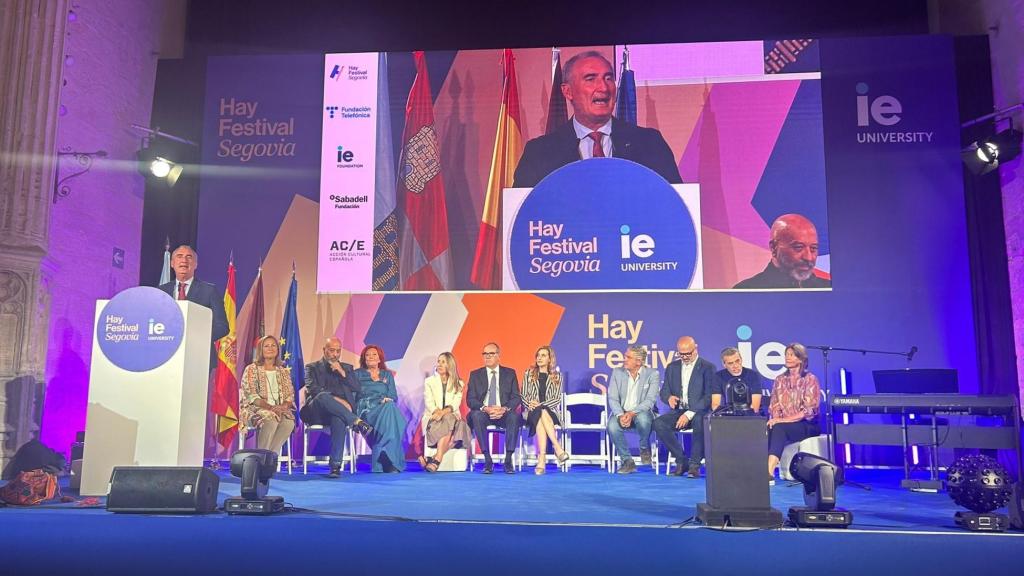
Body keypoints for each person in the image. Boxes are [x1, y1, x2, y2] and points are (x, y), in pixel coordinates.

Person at [512, 51, 682, 188]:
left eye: (608, 78)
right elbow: (523, 214)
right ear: (567, 91)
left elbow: (674, 205)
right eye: (591, 79)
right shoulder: (540, 152)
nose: (603, 87)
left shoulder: (650, 144)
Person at [301, 337, 374, 478]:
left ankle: (335, 467)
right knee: (322, 396)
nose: (335, 354)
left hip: (338, 412)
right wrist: (339, 401)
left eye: (338, 351)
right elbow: (313, 389)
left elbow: (357, 388)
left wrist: (342, 373)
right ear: (324, 350)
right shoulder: (312, 367)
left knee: (338, 419)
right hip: (316, 411)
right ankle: (356, 421)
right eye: (332, 350)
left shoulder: (347, 368)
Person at [158, 245, 229, 367]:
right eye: (179, 256)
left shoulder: (209, 291)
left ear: (195, 264)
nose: (184, 260)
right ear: (172, 263)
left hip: (199, 358)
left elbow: (222, 326)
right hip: (167, 357)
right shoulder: (161, 292)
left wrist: (195, 338)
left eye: (189, 257)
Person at [653, 336, 715, 477]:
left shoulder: (707, 367)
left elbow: (708, 396)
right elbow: (664, 392)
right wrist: (669, 398)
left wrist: (689, 414)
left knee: (700, 421)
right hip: (679, 410)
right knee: (659, 423)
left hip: (699, 411)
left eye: (688, 353)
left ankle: (694, 465)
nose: (685, 357)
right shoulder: (672, 367)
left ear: (696, 348)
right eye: (682, 354)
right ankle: (681, 461)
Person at [767, 343, 822, 485]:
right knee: (767, 427)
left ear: (801, 359)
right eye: (786, 355)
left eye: (791, 355)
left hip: (807, 425)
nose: (787, 358)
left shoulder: (810, 379)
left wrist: (781, 421)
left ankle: (768, 473)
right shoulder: (780, 379)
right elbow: (774, 404)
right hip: (785, 424)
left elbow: (809, 410)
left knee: (779, 428)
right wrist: (775, 419)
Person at [733, 214, 831, 289]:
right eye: (798, 247)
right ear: (774, 248)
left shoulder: (827, 288)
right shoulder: (747, 290)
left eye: (813, 248)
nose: (808, 257)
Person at [466, 342, 522, 474]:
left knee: (514, 417)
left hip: (503, 412)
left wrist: (504, 409)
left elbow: (516, 397)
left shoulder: (509, 373)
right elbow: (471, 399)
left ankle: (508, 460)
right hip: (484, 412)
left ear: (498, 356)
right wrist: (485, 408)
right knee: (476, 416)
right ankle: (487, 460)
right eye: (485, 354)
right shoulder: (475, 374)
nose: (487, 356)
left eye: (491, 353)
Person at [354, 345, 408, 473]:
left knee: (389, 407)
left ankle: (383, 456)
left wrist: (387, 399)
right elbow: (353, 396)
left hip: (383, 407)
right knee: (394, 419)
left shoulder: (387, 375)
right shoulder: (357, 374)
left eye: (374, 355)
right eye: (368, 355)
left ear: (380, 359)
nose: (371, 357)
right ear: (364, 359)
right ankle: (390, 461)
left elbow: (393, 395)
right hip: (367, 410)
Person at [607, 345, 660, 474]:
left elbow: (650, 401)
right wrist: (620, 415)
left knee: (643, 419)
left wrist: (632, 413)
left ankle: (643, 447)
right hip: (622, 412)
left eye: (628, 357)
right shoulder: (617, 372)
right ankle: (627, 461)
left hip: (642, 412)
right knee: (612, 426)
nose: (624, 359)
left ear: (639, 361)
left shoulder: (652, 374)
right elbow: (613, 398)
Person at [239, 335, 295, 454]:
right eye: (266, 346)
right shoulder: (251, 369)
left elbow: (290, 396)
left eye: (273, 345)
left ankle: (271, 457)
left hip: (279, 409)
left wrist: (283, 407)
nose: (270, 348)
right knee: (271, 420)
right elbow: (252, 396)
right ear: (260, 350)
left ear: (278, 349)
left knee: (288, 423)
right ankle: (262, 456)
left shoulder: (283, 371)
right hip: (255, 409)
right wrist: (271, 408)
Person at [421, 352, 472, 473]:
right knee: (450, 420)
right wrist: (437, 412)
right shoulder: (429, 381)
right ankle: (436, 459)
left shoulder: (459, 383)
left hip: (453, 419)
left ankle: (434, 459)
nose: (439, 364)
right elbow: (429, 401)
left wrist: (443, 412)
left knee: (455, 422)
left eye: (443, 362)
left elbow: (455, 403)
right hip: (435, 420)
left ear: (450, 365)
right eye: (438, 361)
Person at [521, 346, 568, 475]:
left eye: (543, 355)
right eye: (538, 355)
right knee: (540, 413)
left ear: (549, 359)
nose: (539, 358)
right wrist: (530, 404)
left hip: (551, 412)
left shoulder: (557, 376)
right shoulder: (528, 374)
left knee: (542, 411)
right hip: (531, 411)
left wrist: (540, 404)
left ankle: (541, 458)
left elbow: (557, 399)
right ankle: (557, 448)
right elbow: (524, 395)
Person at [711, 347, 764, 413]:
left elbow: (755, 407)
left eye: (737, 361)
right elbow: (715, 405)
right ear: (724, 365)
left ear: (741, 359)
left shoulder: (753, 375)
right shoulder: (718, 376)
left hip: (750, 416)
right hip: (728, 416)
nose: (735, 365)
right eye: (730, 363)